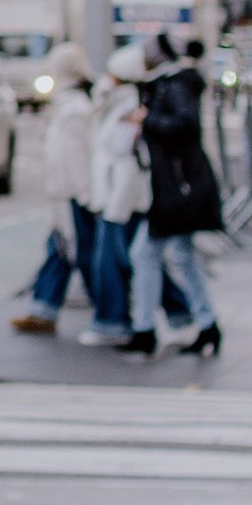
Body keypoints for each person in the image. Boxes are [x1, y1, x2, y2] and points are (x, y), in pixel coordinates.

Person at [130, 35, 224, 357]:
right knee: (181, 255)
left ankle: (145, 330)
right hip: (177, 186)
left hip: (177, 188)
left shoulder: (173, 86)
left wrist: (147, 120)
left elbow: (185, 125)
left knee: (145, 254)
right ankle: (206, 324)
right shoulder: (167, 84)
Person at [10, 43, 97, 332]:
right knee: (61, 249)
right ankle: (43, 310)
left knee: (80, 253)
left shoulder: (74, 110)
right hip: (66, 192)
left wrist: (83, 193)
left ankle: (112, 314)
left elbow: (74, 157)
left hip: (71, 193)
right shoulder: (69, 106)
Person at [84, 65, 152, 341]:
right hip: (119, 195)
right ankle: (180, 312)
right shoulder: (119, 106)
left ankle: (111, 321)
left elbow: (121, 149)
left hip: (121, 196)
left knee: (113, 261)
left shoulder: (127, 108)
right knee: (139, 259)